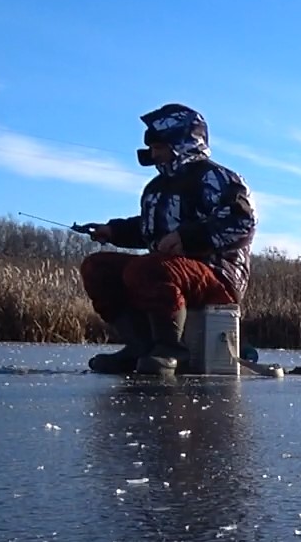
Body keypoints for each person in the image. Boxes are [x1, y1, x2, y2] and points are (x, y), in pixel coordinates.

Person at [80, 104, 255, 375]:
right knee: (97, 267)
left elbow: (241, 222)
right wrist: (113, 231)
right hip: (168, 272)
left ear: (182, 144)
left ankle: (171, 350)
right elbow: (151, 230)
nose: (154, 154)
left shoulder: (218, 178)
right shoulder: (155, 188)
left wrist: (187, 238)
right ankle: (141, 346)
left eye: (160, 147)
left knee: (149, 267)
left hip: (218, 276)